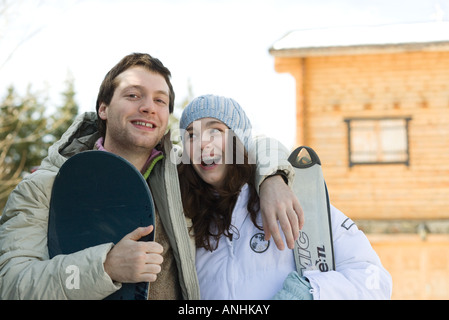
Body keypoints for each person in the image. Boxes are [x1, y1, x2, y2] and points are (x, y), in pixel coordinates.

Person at [0, 53, 303, 300]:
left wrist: (273, 178)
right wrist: (104, 267)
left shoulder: (180, 177)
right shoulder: (47, 185)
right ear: (103, 108)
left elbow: (252, 142)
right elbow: (11, 284)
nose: (148, 107)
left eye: (160, 100)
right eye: (133, 95)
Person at [178, 94, 392, 300]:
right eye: (191, 135)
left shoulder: (293, 203)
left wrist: (309, 293)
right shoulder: (187, 226)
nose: (203, 144)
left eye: (215, 130)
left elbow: (375, 282)